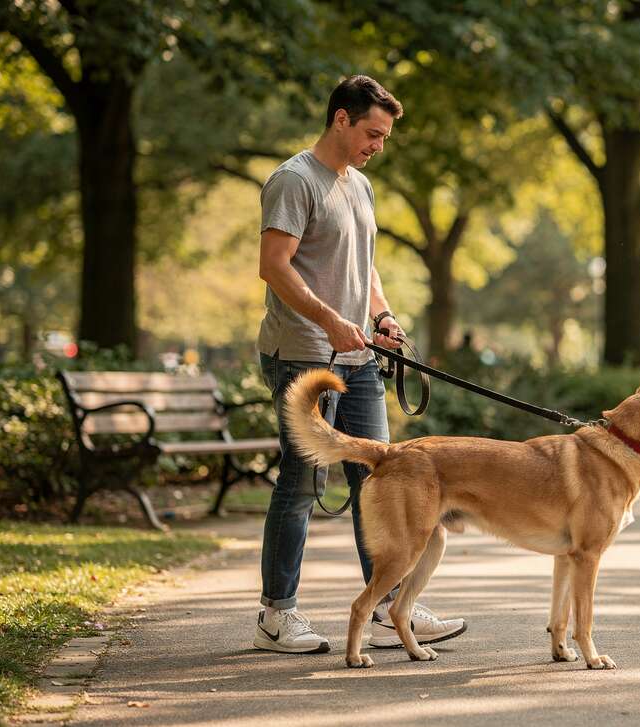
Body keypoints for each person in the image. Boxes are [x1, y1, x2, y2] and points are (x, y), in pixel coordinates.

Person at [253, 75, 466, 653]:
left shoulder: (361, 187)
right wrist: (327, 318)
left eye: (386, 136)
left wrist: (383, 318)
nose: (379, 144)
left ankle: (390, 607)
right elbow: (275, 265)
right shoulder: (295, 181)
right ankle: (277, 614)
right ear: (341, 119)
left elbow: (364, 269)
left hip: (359, 356)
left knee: (387, 476)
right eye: (373, 132)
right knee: (300, 483)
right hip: (302, 352)